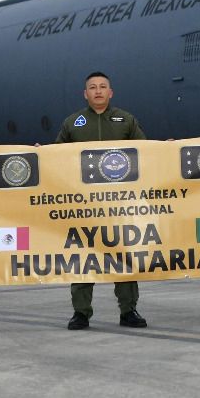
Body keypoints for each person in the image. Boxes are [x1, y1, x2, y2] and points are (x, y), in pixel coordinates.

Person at [56, 71, 148, 330]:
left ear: (111, 92)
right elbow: (56, 156)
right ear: (85, 94)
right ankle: (81, 313)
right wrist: (43, 153)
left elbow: (146, 151)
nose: (98, 91)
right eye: (93, 87)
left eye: (102, 87)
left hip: (120, 203)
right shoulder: (73, 123)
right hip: (84, 204)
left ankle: (128, 310)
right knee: (83, 257)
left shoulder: (126, 120)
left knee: (124, 256)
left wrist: (168, 149)